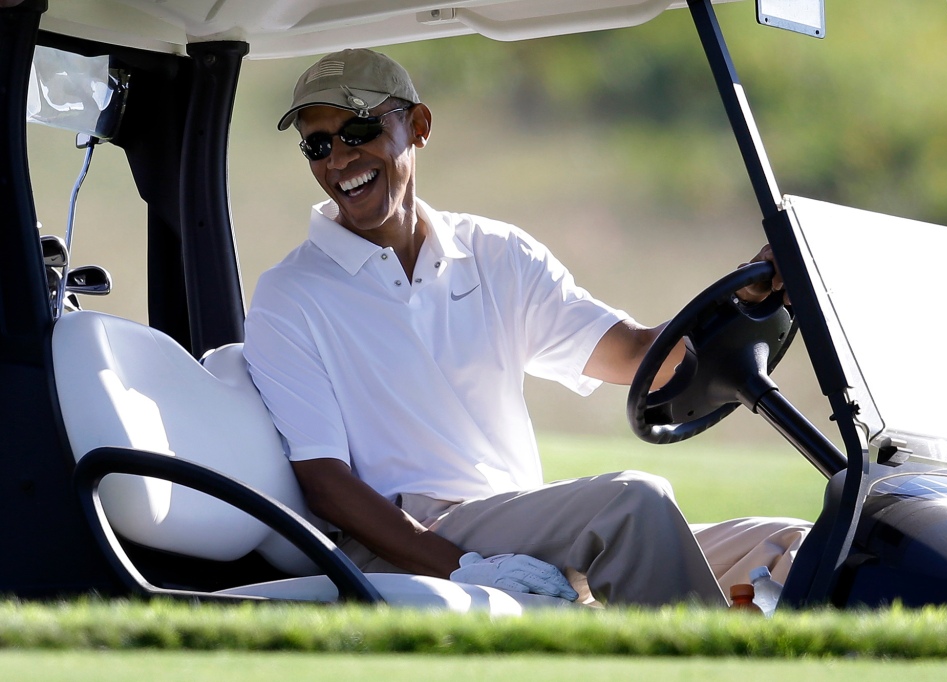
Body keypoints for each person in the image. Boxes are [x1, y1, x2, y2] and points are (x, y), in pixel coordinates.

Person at [244, 48, 811, 607]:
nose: (338, 160)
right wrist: (468, 568)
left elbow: (635, 355)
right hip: (414, 541)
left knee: (790, 543)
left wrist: (738, 296)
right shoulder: (290, 295)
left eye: (358, 130)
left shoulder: (497, 253)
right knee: (634, 502)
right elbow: (325, 482)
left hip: (522, 531)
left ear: (419, 125)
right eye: (318, 145)